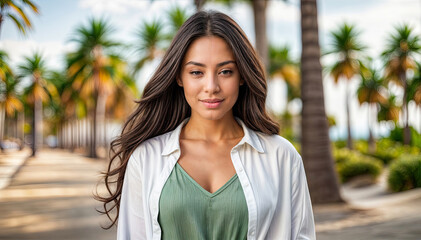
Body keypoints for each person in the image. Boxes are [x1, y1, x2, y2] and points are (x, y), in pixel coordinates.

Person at [96, 10, 316, 240]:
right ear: (179, 77)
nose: (211, 86)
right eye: (197, 72)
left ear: (242, 75)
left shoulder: (281, 156)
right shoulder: (145, 158)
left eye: (225, 71)